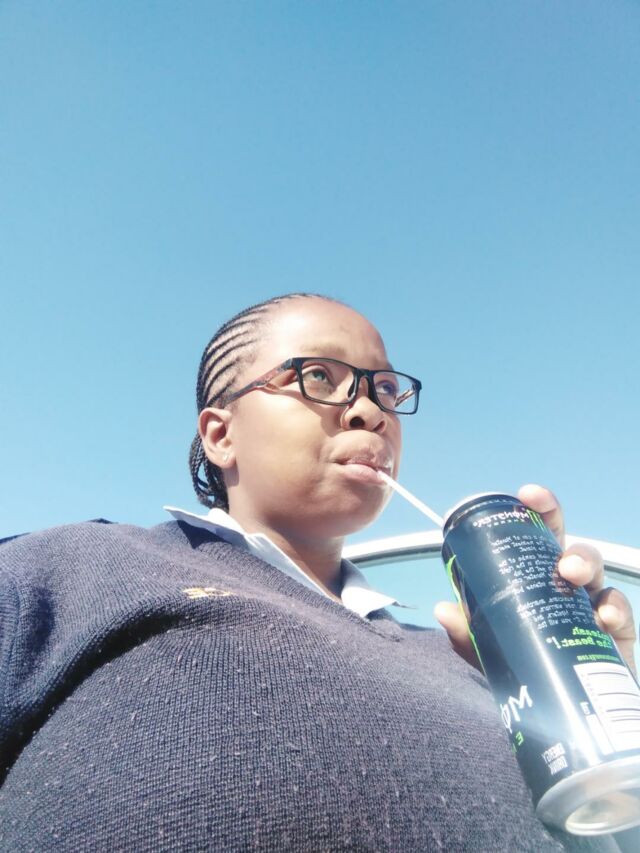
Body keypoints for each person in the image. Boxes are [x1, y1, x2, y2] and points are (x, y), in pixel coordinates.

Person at [0, 292, 636, 852]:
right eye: (317, 376)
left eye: (385, 390)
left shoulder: (461, 657)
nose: (370, 412)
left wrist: (600, 687)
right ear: (220, 435)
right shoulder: (76, 567)